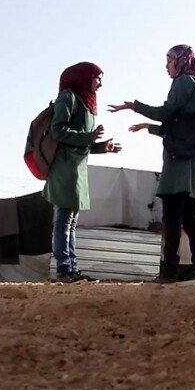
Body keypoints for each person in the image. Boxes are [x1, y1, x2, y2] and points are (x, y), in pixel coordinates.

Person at [108, 44, 195, 283]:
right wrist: (150, 128)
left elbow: (165, 113)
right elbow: (183, 127)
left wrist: (134, 106)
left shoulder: (183, 82)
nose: (166, 67)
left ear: (180, 61)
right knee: (190, 217)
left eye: (169, 61)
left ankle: (168, 272)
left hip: (179, 164)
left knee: (171, 216)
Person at [44, 62, 121, 283]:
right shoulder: (68, 98)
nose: (101, 84)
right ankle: (64, 269)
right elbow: (58, 131)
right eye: (98, 78)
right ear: (84, 77)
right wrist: (89, 138)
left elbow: (81, 142)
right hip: (64, 168)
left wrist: (101, 147)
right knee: (65, 218)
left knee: (72, 220)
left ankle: (72, 268)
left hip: (77, 168)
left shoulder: (85, 104)